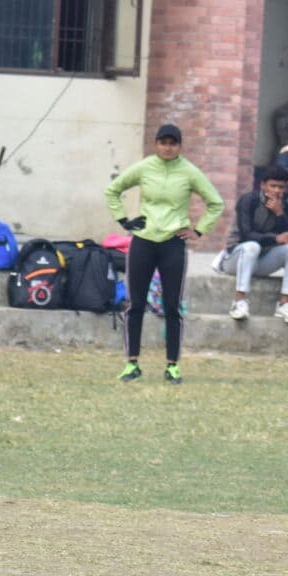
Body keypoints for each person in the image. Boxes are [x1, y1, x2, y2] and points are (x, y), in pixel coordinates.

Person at [103, 122, 224, 383]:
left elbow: (215, 202)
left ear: (180, 146)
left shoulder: (189, 172)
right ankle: (131, 363)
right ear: (156, 144)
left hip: (173, 243)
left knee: (172, 306)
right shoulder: (145, 167)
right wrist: (124, 220)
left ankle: (172, 365)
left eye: (173, 143)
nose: (168, 148)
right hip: (143, 241)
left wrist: (199, 230)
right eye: (163, 143)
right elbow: (113, 190)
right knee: (135, 304)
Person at [213, 164, 288, 324]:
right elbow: (246, 234)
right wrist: (275, 239)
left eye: (281, 187)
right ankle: (239, 302)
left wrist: (280, 214)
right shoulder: (249, 200)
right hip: (234, 260)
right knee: (252, 246)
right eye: (273, 186)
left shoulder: (286, 206)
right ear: (263, 185)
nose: (277, 190)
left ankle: (284, 303)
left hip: (262, 262)